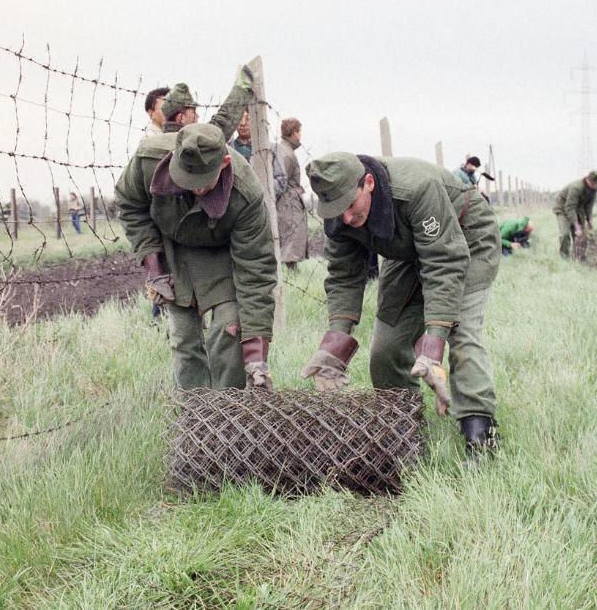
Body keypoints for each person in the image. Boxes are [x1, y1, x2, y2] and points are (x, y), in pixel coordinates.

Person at [300, 152, 502, 455]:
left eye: (350, 206)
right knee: (387, 345)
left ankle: (480, 438)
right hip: (408, 252)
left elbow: (443, 263)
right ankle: (402, 432)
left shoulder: (416, 189)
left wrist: (433, 345)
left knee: (460, 332)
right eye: (336, 211)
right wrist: (334, 345)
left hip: (464, 238)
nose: (345, 218)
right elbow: (343, 276)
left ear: (368, 183)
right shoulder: (340, 213)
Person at [115, 123, 277, 389]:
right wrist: (153, 266)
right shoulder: (148, 159)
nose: (194, 189)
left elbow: (256, 271)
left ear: (224, 163)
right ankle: (196, 417)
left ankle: (228, 413)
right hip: (172, 247)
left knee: (229, 328)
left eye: (202, 182)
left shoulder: (245, 195)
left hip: (222, 251)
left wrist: (256, 358)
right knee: (183, 338)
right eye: (186, 179)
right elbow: (129, 204)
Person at [160, 66, 254, 138]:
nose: (197, 116)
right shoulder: (189, 143)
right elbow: (219, 128)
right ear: (181, 118)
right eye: (193, 112)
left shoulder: (156, 142)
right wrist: (242, 88)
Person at [275, 118, 308, 269]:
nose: (300, 135)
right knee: (291, 241)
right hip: (288, 203)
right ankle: (291, 275)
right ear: (294, 133)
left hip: (287, 201)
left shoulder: (283, 149)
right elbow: (282, 180)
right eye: (299, 131)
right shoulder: (287, 153)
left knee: (290, 241)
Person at [553, 170, 597, 259]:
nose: (594, 186)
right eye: (592, 184)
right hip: (563, 207)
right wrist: (576, 226)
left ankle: (579, 257)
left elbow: (589, 206)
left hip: (578, 208)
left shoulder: (594, 189)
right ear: (587, 180)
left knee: (581, 235)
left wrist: (590, 219)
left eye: (595, 184)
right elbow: (569, 208)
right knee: (565, 234)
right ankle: (564, 257)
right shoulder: (576, 187)